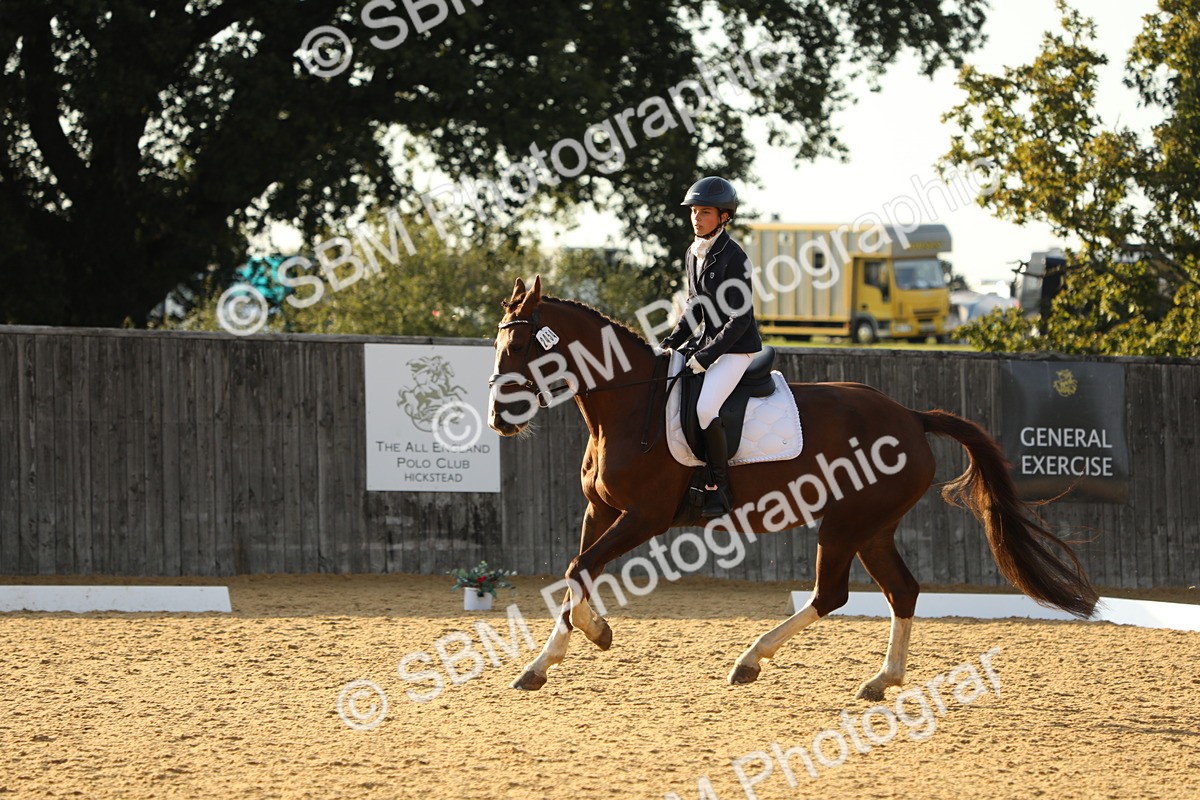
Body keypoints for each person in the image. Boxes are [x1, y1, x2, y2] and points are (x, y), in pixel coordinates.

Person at [660, 176, 763, 517]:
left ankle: (720, 488)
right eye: (693, 211)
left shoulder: (735, 257)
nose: (696, 218)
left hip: (737, 348)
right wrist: (673, 342)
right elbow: (695, 307)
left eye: (705, 212)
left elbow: (740, 320)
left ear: (724, 217)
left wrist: (704, 356)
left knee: (705, 409)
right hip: (710, 344)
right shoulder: (693, 253)